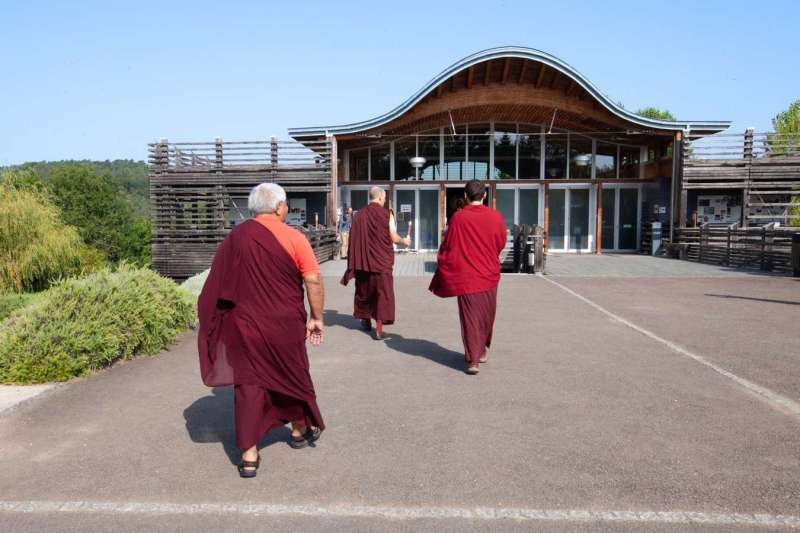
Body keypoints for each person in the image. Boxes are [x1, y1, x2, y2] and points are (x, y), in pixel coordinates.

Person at [198, 183, 325, 478]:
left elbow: (216, 286)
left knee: (249, 385)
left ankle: (249, 453)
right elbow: (313, 280)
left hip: (245, 326)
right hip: (285, 323)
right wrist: (317, 317)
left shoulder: (236, 238)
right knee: (293, 372)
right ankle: (298, 430)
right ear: (280, 207)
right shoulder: (294, 237)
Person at [429, 180, 507, 375]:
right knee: (487, 314)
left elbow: (449, 245)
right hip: (489, 273)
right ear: (485, 196)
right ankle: (479, 353)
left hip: (468, 275)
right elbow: (500, 242)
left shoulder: (458, 218)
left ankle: (475, 357)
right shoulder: (496, 217)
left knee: (471, 317)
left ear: (465, 196)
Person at [341, 186, 410, 339]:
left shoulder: (358, 216)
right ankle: (379, 328)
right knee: (382, 293)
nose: (384, 201)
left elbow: (354, 238)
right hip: (381, 262)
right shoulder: (387, 214)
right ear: (380, 198)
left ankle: (365, 321)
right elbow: (394, 237)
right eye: (384, 199)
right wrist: (404, 241)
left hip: (363, 261)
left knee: (364, 291)